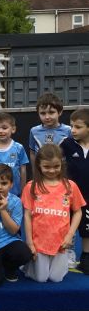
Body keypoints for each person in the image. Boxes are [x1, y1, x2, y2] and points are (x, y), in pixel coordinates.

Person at [21, 144, 85, 283]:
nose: (52, 170)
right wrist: (30, 243)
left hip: (60, 243)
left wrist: (69, 235)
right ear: (39, 165)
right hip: (39, 243)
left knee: (56, 278)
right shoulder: (31, 186)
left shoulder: (70, 186)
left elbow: (78, 212)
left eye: (56, 166)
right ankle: (27, 266)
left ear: (62, 164)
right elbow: (27, 215)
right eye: (47, 167)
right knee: (41, 278)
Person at [0, 164, 32, 287]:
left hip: (9, 242)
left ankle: (10, 268)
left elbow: (13, 230)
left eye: (4, 183)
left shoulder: (16, 201)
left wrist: (3, 210)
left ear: (11, 184)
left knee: (25, 253)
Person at [60, 108, 89, 274]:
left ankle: (86, 257)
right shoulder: (67, 144)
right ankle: (66, 254)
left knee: (87, 229)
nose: (73, 130)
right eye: (71, 126)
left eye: (78, 127)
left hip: (88, 196)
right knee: (66, 225)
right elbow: (54, 159)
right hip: (69, 196)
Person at [0, 112, 29, 196]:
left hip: (15, 193)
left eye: (4, 128)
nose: (0, 131)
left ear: (13, 129)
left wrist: (23, 190)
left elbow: (23, 170)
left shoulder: (19, 148)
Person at [29, 92, 71, 165]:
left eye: (51, 112)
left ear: (60, 112)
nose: (47, 117)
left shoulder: (68, 130)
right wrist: (34, 170)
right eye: (43, 113)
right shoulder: (34, 131)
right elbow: (32, 153)